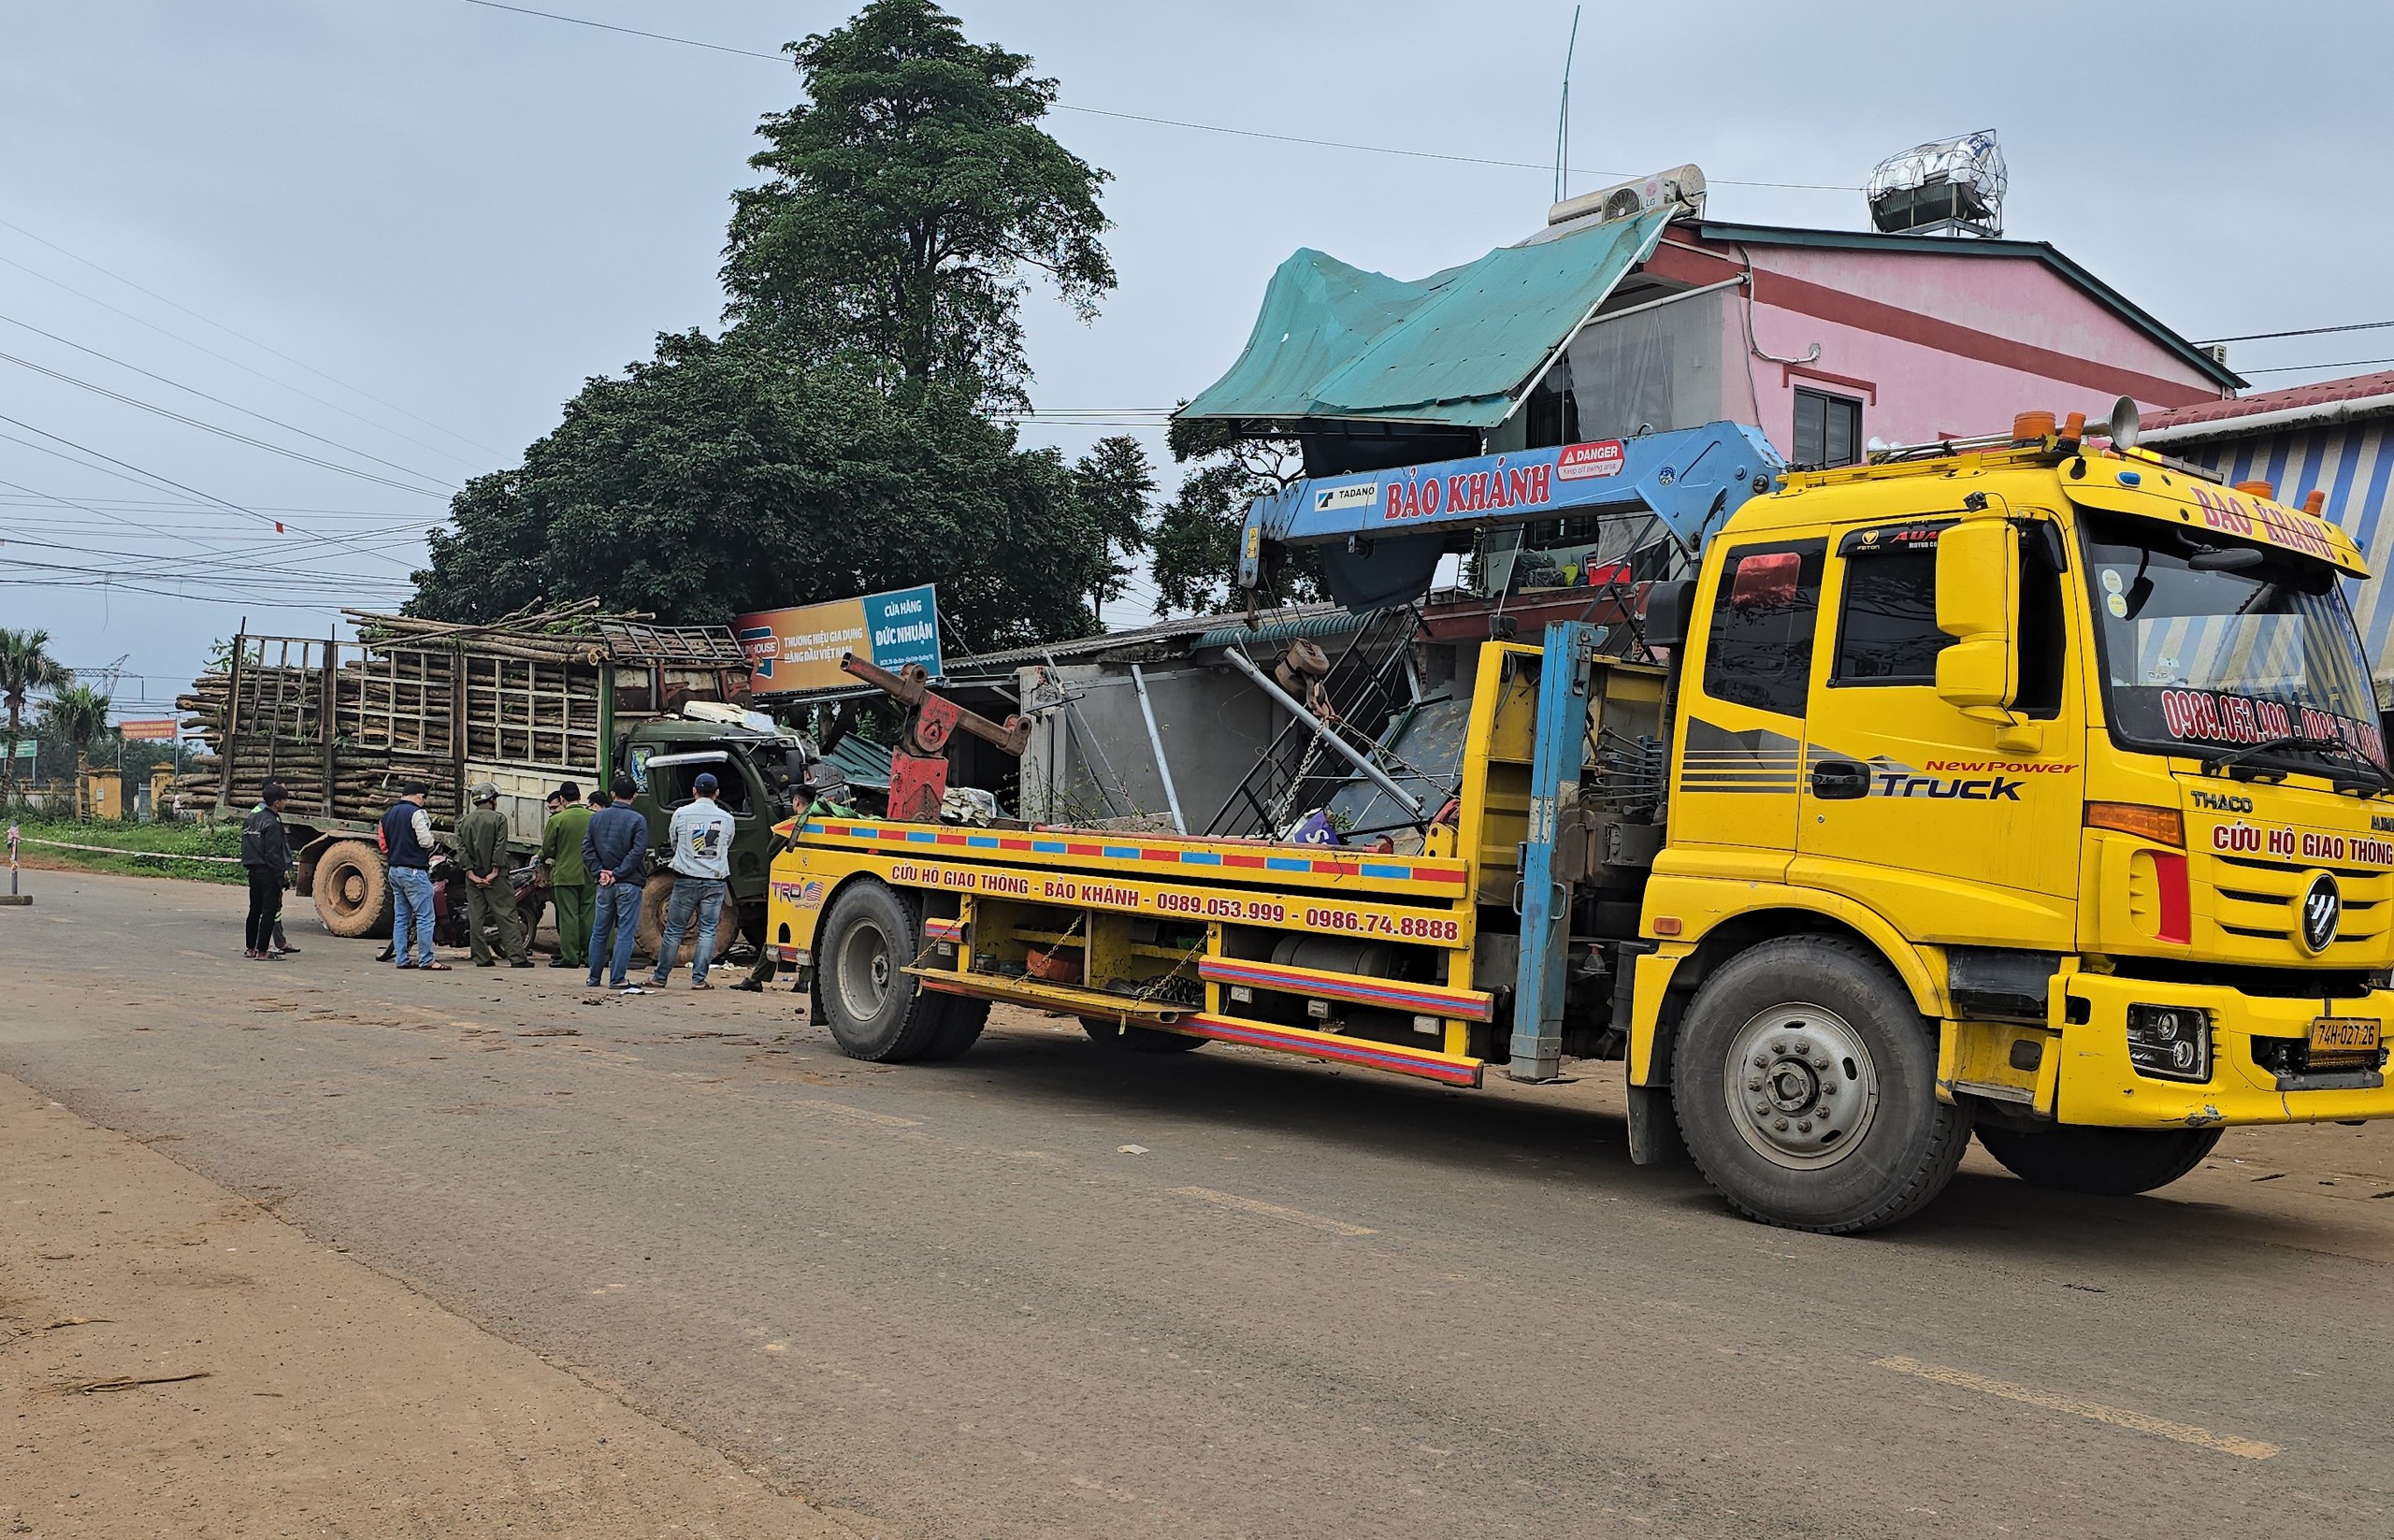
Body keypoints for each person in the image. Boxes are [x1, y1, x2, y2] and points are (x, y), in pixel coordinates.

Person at [649, 771, 737, 990]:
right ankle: (699, 980)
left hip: (686, 880)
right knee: (708, 931)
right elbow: (728, 843)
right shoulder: (727, 818)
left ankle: (660, 978)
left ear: (694, 791)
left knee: (674, 930)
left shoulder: (681, 814)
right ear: (717, 793)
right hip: (714, 882)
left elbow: (674, 840)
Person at [582, 774, 649, 990]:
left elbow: (587, 849)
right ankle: (617, 978)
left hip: (604, 884)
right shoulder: (638, 820)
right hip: (628, 883)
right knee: (625, 933)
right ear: (635, 796)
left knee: (600, 930)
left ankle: (593, 977)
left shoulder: (596, 818)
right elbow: (637, 852)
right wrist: (618, 874)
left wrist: (601, 872)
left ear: (612, 794)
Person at [455, 782, 532, 969]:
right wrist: (494, 872)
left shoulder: (463, 822)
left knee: (476, 917)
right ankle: (517, 958)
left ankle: (481, 958)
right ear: (492, 800)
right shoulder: (499, 819)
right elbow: (500, 847)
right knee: (506, 915)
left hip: (473, 878)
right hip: (496, 878)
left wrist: (471, 873)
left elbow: (462, 850)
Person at [381, 780, 448, 971]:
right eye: (424, 797)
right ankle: (427, 960)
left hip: (394, 870)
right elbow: (426, 841)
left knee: (401, 917)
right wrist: (432, 840)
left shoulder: (388, 815)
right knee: (425, 916)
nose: (424, 801)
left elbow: (384, 844)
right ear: (419, 795)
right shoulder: (416, 813)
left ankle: (401, 959)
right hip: (414, 871)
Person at [538, 782, 596, 971]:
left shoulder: (557, 820)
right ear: (580, 796)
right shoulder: (593, 817)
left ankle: (570, 957)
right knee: (589, 915)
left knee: (568, 916)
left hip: (565, 875)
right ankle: (590, 956)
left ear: (562, 799)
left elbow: (547, 849)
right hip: (589, 873)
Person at [239, 782, 295, 960]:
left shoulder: (252, 818)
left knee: (254, 909)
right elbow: (273, 853)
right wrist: (282, 874)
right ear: (277, 802)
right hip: (268, 872)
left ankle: (251, 948)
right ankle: (263, 951)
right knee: (269, 911)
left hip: (253, 870)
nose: (286, 804)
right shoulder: (272, 822)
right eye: (285, 800)